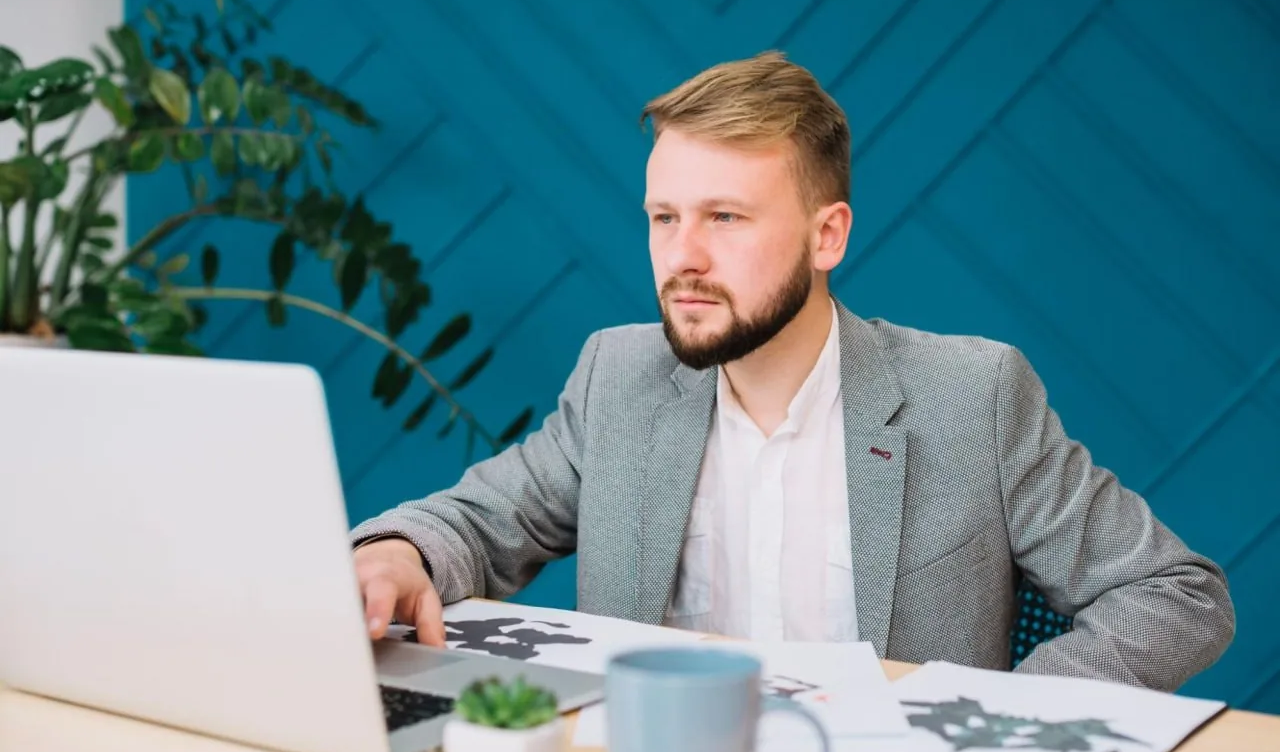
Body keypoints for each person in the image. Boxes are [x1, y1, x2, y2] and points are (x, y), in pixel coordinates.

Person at [349, 51, 1233, 691]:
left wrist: (1001, 713)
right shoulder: (618, 375)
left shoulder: (975, 396)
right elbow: (481, 517)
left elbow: (1176, 593)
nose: (681, 257)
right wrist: (400, 548)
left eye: (725, 217)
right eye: (663, 217)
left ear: (828, 236)